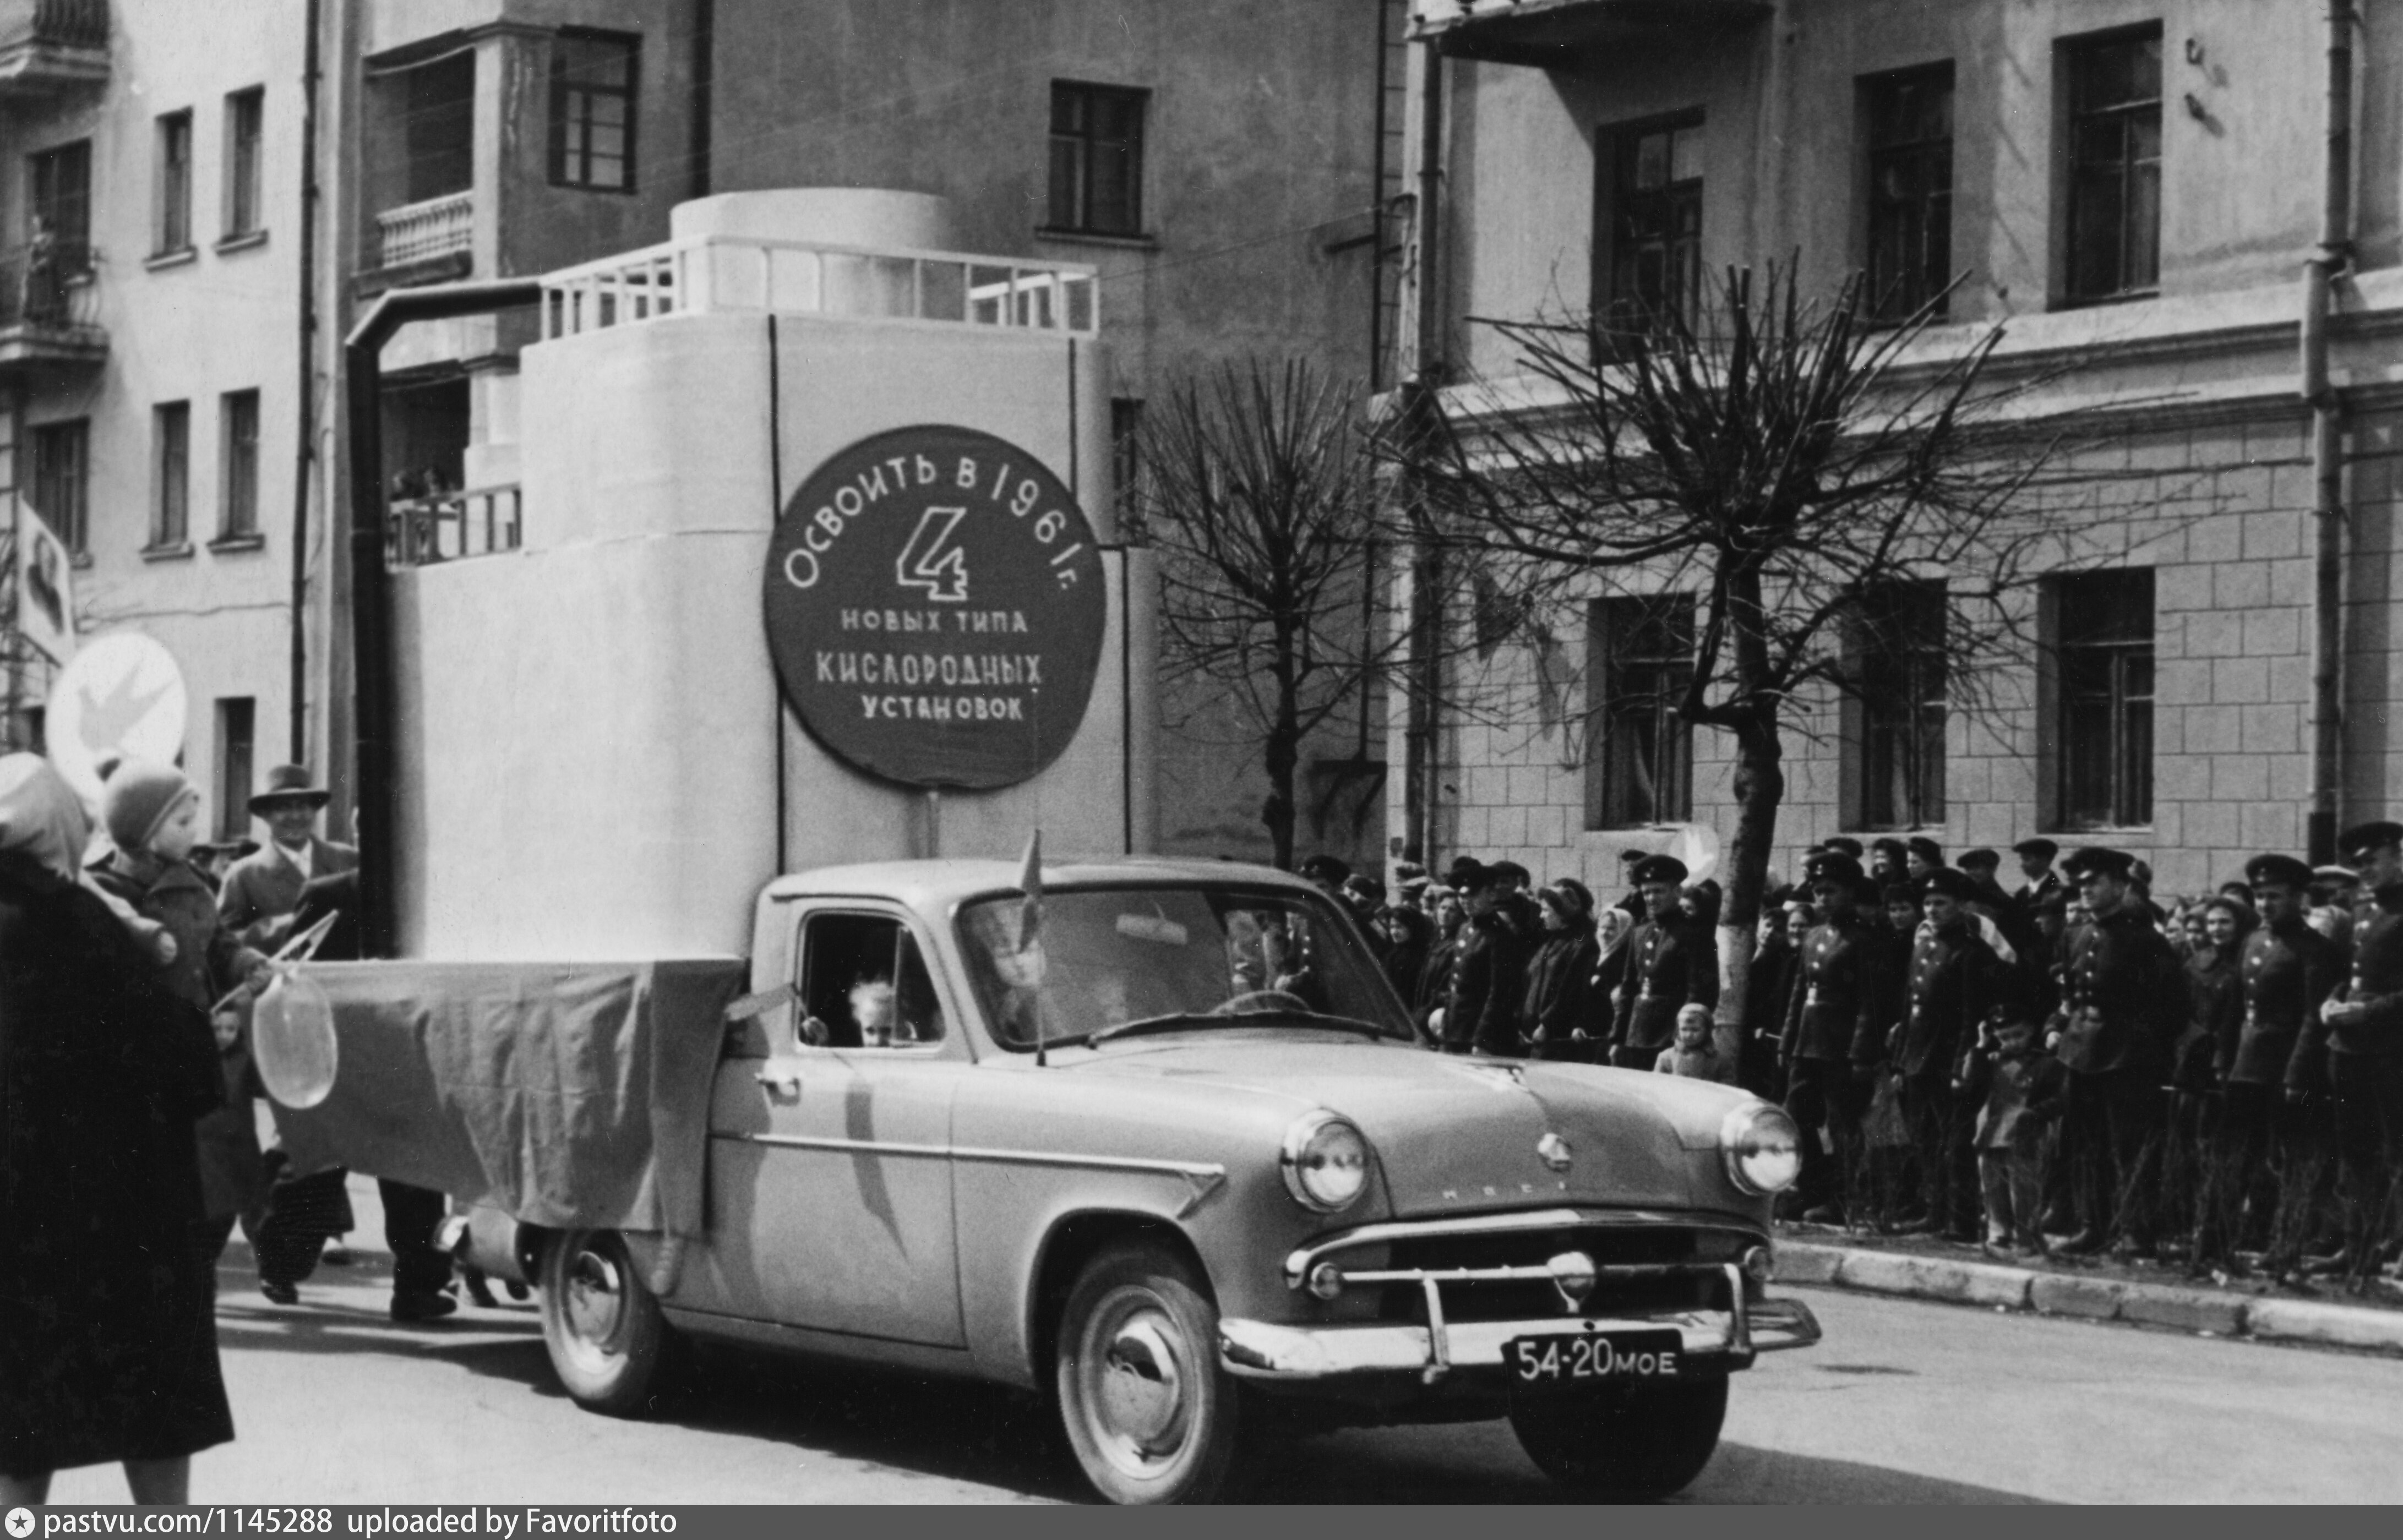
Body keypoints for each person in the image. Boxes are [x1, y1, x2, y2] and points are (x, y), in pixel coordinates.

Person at [0, 755, 234, 1505]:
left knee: (23, 1417)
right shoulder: (75, 917)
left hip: (19, 1213)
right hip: (118, 1208)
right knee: (154, 1404)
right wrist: (205, 1034)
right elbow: (165, 1055)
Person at [86, 762, 276, 1276]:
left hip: (204, 1055)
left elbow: (217, 943)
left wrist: (246, 964)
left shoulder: (195, 883)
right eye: (182, 822)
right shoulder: (103, 891)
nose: (195, 832)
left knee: (219, 1184)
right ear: (144, 828)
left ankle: (190, 1278)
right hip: (146, 1062)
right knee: (162, 1189)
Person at [2049, 846, 2189, 1257]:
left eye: (2095, 882)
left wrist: (2144, 1048)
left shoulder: (2144, 939)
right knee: (2086, 1144)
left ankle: (2134, 1231)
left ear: (2121, 885)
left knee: (2131, 1147)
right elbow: (2070, 994)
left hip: (2128, 1057)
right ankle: (2093, 1226)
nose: (2085, 889)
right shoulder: (2075, 934)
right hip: (2081, 1053)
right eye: (2081, 883)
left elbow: (2172, 1004)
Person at [2290, 821, 2403, 1276]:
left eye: (2372, 861)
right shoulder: (2363, 911)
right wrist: (2331, 1001)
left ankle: (2397, 1250)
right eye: (2359, 864)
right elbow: (2352, 975)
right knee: (2356, 1153)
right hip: (2349, 1049)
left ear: (2398, 857)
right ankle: (2358, 1245)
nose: (2365, 871)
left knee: (2397, 1152)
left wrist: (2367, 1012)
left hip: (2391, 1050)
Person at [1888, 869, 1999, 1241]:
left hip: (1948, 1063)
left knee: (1955, 1145)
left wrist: (1961, 1067)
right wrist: (1900, 1061)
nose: (1933, 910)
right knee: (1926, 1142)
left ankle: (1961, 1221)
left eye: (1941, 903)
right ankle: (1934, 1213)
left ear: (1961, 905)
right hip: (1918, 1059)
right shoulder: (1923, 947)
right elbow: (1909, 1009)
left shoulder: (1971, 953)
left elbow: (1971, 1017)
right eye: (1928, 903)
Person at [1781, 851, 1886, 1223]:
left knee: (1843, 1126)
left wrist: (1860, 1054)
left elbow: (1870, 1002)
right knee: (1796, 1118)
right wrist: (1788, 1041)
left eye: (1831, 891)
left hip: (1840, 1049)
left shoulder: (1864, 939)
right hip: (1807, 1044)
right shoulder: (1813, 935)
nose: (1823, 898)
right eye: (1818, 891)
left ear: (1850, 893)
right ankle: (1812, 1190)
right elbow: (1799, 993)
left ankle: (1845, 1200)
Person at [1967, 1016, 2067, 1258]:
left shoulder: (2045, 1063)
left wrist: (2035, 1114)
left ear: (2031, 1031)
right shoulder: (1991, 1060)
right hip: (1991, 1132)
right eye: (2004, 1037)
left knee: (2024, 1191)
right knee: (1992, 1187)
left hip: (2024, 1134)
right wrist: (1981, 1046)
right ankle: (1999, 1233)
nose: (2012, 1042)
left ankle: (2027, 1237)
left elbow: (2060, 1099)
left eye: (2018, 1035)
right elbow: (1970, 1084)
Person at [1609, 854, 1717, 1071]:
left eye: (1659, 891)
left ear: (1677, 892)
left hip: (1672, 1040)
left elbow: (1700, 993)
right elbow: (1629, 989)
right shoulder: (1640, 932)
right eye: (1646, 892)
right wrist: (1617, 1038)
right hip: (1636, 1036)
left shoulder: (1695, 934)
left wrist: (1682, 1039)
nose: (1651, 898)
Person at [1438, 861, 1528, 1057]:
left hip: (1480, 1035)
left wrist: (1482, 1039)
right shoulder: (1465, 929)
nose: (1466, 901)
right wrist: (1446, 1025)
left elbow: (1499, 994)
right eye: (1462, 896)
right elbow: (1455, 985)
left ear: (1491, 894)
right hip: (1457, 1029)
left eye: (1473, 895)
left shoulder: (1501, 936)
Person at [1522, 880, 1599, 1061]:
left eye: (1546, 910)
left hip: (1556, 1039)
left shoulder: (1581, 944)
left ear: (1563, 912)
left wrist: (1547, 1024)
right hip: (1534, 1036)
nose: (1542, 916)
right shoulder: (1551, 942)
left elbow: (1569, 989)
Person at [1657, 1003, 1736, 1083]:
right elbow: (1658, 1085)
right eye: (1684, 1029)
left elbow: (1727, 1087)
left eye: (1695, 1030)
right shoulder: (1666, 1058)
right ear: (1678, 1030)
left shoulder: (1720, 1060)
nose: (1689, 1035)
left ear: (1707, 1030)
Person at [2012, 838, 2062, 913]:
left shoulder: (2059, 891)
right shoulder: (2021, 894)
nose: (2022, 865)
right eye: (2022, 859)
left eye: (2027, 859)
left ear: (2044, 860)